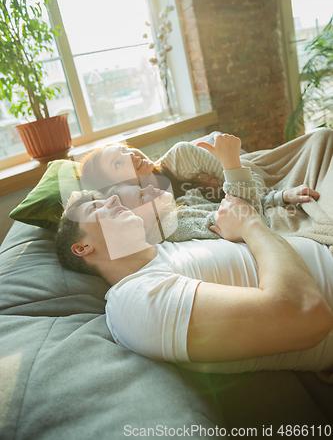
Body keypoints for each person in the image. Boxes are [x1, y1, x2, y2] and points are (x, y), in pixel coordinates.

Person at [55, 189, 333, 376]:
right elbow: (304, 313)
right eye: (96, 208)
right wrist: (251, 225)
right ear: (82, 248)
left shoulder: (169, 247)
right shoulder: (134, 299)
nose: (114, 199)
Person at [104, 134, 320, 243]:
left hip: (257, 174)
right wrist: (280, 197)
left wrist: (279, 194)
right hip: (248, 187)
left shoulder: (181, 157)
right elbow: (239, 214)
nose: (130, 155)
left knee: (321, 139)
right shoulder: (170, 217)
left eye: (125, 150)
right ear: (115, 186)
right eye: (117, 163)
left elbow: (249, 182)